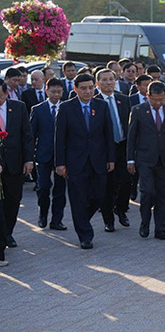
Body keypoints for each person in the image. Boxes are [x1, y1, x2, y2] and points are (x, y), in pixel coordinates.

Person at [55, 73, 116, 249]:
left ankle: (82, 219)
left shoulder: (102, 106)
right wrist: (60, 163)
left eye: (91, 88)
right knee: (78, 199)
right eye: (83, 88)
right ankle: (85, 235)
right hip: (75, 162)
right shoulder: (66, 108)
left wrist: (111, 158)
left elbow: (108, 134)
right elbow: (59, 138)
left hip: (98, 160)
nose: (88, 91)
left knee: (98, 196)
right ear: (75, 89)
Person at [126, 81, 165, 240]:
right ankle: (145, 223)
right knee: (148, 192)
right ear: (148, 96)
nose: (158, 103)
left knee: (164, 195)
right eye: (154, 100)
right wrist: (130, 159)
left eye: (161, 100)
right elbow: (131, 137)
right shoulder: (138, 110)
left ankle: (161, 229)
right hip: (145, 159)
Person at [93, 69, 132, 233]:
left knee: (126, 183)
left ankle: (121, 210)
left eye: (111, 79)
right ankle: (108, 219)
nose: (109, 82)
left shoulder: (124, 99)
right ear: (98, 83)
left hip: (123, 146)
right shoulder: (93, 102)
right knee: (107, 186)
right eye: (105, 80)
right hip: (104, 150)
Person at [0, 78, 34, 249]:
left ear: (6, 93)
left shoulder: (19, 107)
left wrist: (29, 159)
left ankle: (8, 234)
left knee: (13, 200)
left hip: (15, 163)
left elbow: (27, 135)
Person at [30, 78, 67, 231]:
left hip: (62, 156)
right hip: (44, 154)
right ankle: (42, 214)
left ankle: (57, 220)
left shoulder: (67, 108)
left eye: (59, 92)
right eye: (53, 92)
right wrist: (29, 156)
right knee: (43, 187)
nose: (56, 95)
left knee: (60, 189)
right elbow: (31, 134)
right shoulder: (38, 109)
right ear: (47, 91)